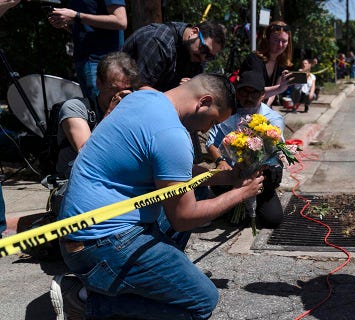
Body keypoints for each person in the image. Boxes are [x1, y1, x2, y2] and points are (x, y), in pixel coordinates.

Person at [50, 73, 264, 320]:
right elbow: (184, 217)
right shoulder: (172, 134)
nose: (208, 129)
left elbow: (171, 172)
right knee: (202, 301)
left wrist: (227, 178)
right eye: (213, 121)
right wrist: (241, 193)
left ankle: (148, 281)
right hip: (100, 247)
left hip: (78, 235)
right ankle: (84, 302)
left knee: (194, 191)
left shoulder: (143, 98)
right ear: (204, 101)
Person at [206, 70, 285, 228]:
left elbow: (276, 151)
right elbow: (211, 143)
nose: (247, 97)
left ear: (263, 94)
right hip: (232, 174)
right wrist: (221, 161)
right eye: (243, 92)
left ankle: (257, 198)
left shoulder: (272, 118)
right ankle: (233, 201)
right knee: (234, 220)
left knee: (273, 220)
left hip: (260, 175)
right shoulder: (227, 113)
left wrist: (253, 170)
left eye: (253, 93)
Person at [55, 51, 141, 179]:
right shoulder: (75, 108)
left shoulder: (134, 111)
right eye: (114, 89)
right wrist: (110, 114)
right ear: (98, 83)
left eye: (126, 89)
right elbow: (87, 155)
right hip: (78, 182)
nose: (120, 95)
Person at [48, 0, 127, 99]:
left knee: (104, 110)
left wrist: (76, 16)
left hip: (103, 62)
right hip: (83, 60)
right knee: (93, 110)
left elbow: (121, 21)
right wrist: (65, 24)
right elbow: (87, 28)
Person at [122, 20, 225, 92]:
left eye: (210, 56)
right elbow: (139, 87)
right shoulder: (160, 40)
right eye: (204, 49)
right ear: (194, 32)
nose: (203, 58)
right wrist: (177, 95)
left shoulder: (196, 54)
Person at [239, 20, 294, 107]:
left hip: (262, 108)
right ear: (267, 39)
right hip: (244, 108)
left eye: (284, 41)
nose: (280, 45)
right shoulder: (254, 60)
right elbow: (253, 93)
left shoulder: (281, 63)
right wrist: (279, 88)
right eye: (276, 40)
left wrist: (265, 109)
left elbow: (273, 93)